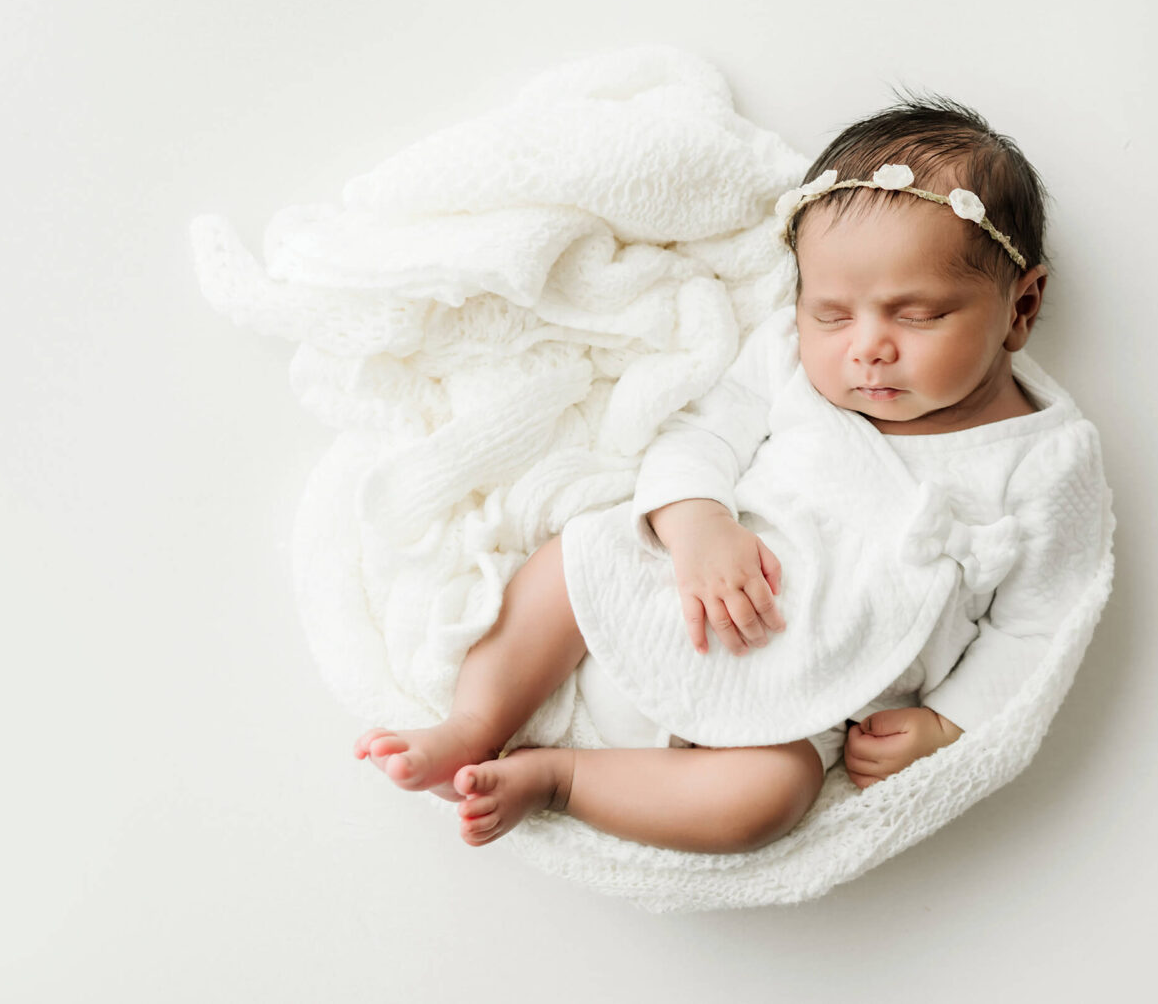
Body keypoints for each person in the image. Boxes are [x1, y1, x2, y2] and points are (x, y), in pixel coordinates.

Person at [354, 95, 1109, 854]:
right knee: (568, 564)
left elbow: (1040, 621)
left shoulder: (1040, 459)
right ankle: (470, 723)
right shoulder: (786, 359)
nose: (867, 347)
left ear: (1021, 306)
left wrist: (948, 722)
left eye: (916, 315)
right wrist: (695, 523)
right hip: (678, 591)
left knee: (768, 799)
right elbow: (698, 434)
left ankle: (561, 778)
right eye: (833, 313)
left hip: (807, 696)